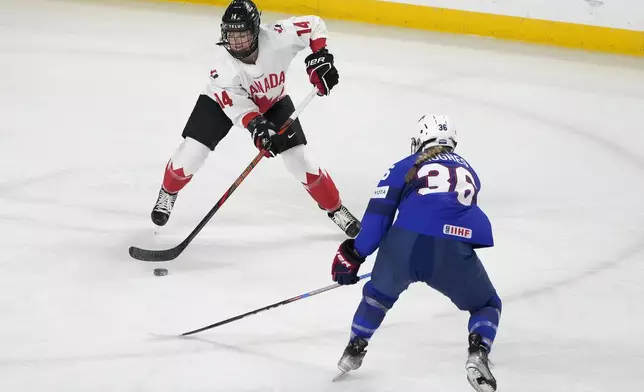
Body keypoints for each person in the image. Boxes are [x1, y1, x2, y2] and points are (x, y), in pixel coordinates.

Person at [150, 0, 360, 237]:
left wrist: (320, 56)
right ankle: (168, 192)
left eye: (243, 34)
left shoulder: (279, 37)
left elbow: (314, 25)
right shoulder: (222, 66)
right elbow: (238, 107)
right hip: (221, 103)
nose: (236, 41)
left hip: (273, 101)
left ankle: (336, 209)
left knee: (300, 161)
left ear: (257, 30)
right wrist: (257, 127)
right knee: (192, 153)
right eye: (231, 34)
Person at [329, 115, 501, 392]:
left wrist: (352, 255)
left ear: (421, 140)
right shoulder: (470, 171)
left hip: (405, 244)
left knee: (377, 296)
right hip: (452, 248)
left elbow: (377, 220)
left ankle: (354, 349)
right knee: (486, 305)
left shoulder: (406, 166)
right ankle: (478, 351)